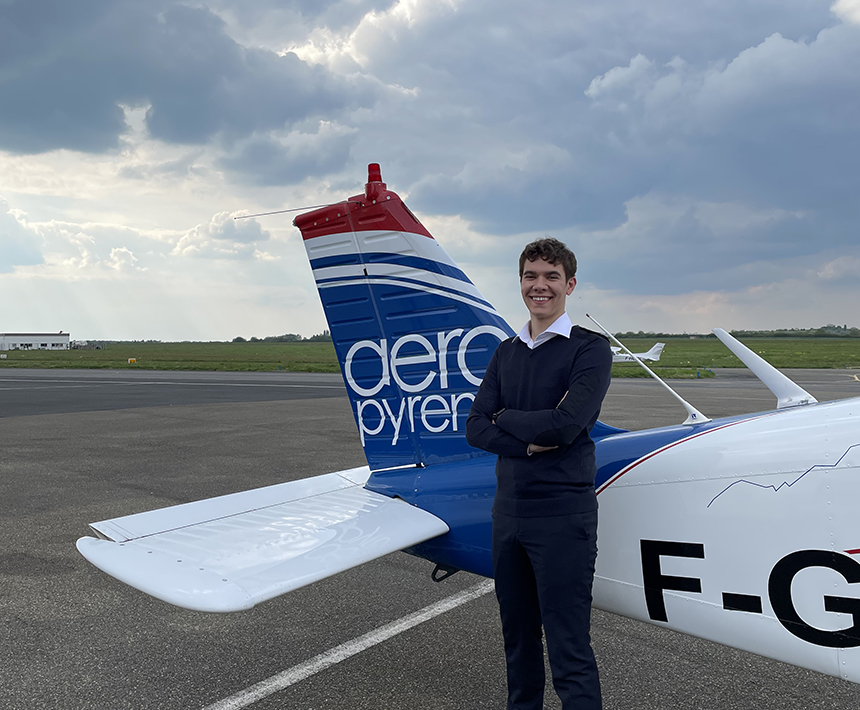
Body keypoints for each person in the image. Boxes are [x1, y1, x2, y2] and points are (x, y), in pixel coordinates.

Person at [466, 238, 612, 710]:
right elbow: (473, 427)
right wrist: (531, 439)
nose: (540, 286)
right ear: (521, 283)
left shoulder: (589, 350)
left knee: (569, 649)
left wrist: (504, 417)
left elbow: (567, 426)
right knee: (519, 645)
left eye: (551, 277)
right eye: (531, 276)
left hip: (561, 516)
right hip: (508, 515)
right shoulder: (506, 352)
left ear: (569, 285)